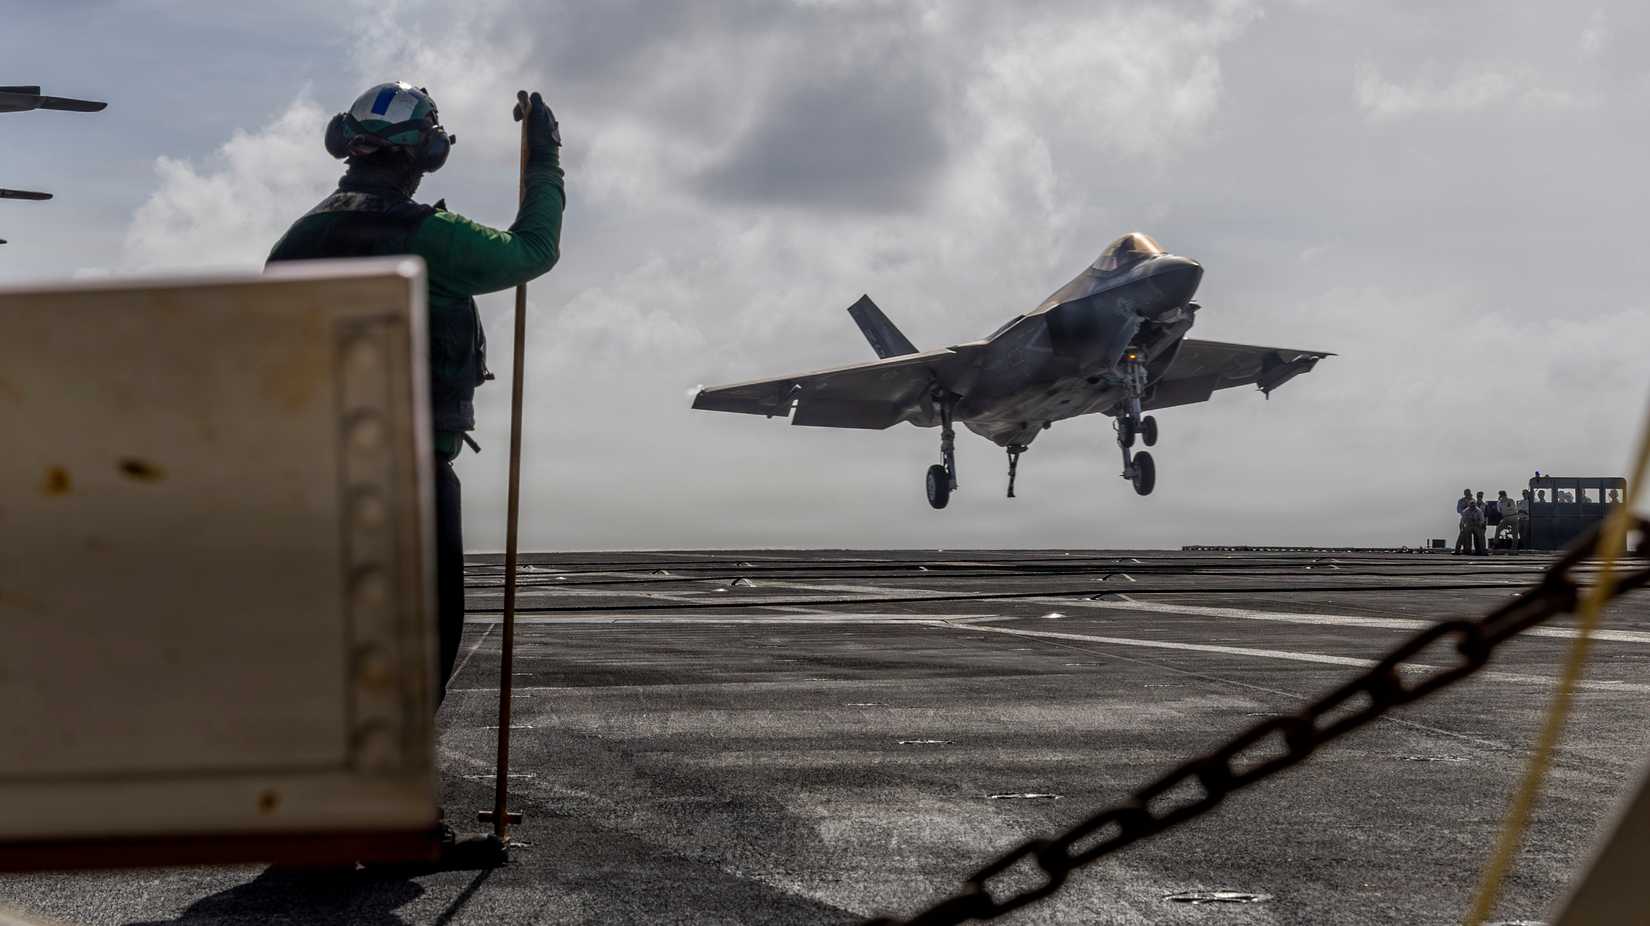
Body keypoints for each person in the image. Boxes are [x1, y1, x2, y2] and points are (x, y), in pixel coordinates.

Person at [267, 83, 564, 852]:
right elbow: (533, 252)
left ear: (347, 145)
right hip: (407, 477)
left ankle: (319, 827)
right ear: (426, 154)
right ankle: (397, 828)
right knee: (418, 647)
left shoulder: (295, 240)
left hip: (312, 480)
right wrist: (544, 162)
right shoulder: (430, 236)